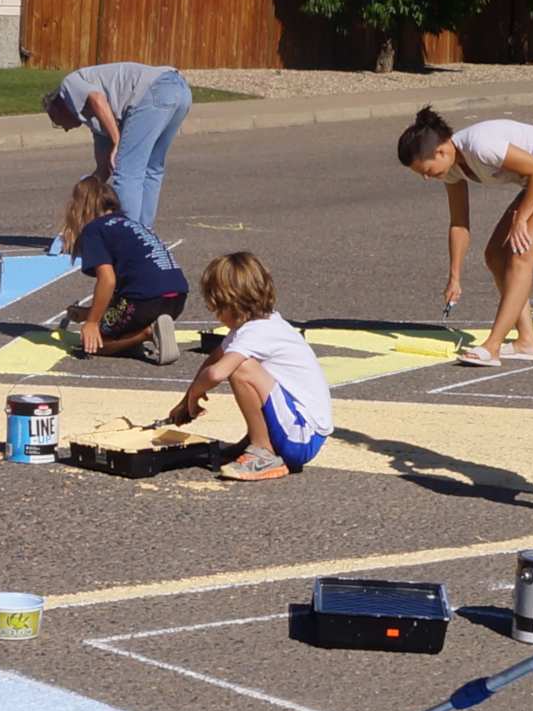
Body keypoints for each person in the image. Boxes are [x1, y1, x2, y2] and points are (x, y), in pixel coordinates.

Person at [400, 105, 533, 368]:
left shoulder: (481, 146)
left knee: (521, 256)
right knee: (495, 255)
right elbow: (459, 223)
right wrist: (455, 277)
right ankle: (526, 341)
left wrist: (521, 219)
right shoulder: (450, 169)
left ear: (442, 150)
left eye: (427, 170)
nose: (427, 178)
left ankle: (492, 346)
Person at [162, 249, 332, 484]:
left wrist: (193, 396)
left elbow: (216, 372)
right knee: (238, 363)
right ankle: (258, 439)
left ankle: (263, 451)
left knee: (242, 368)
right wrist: (185, 401)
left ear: (229, 303)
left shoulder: (257, 332)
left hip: (301, 437)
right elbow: (213, 359)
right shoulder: (260, 324)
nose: (217, 317)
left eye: (217, 309)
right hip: (301, 430)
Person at [45, 61, 192, 238]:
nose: (65, 128)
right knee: (152, 169)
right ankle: (143, 235)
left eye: (56, 121)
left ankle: (125, 237)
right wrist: (80, 201)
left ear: (59, 107)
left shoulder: (68, 85)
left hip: (155, 91)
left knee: (127, 171)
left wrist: (116, 142)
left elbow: (97, 98)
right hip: (180, 92)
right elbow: (104, 169)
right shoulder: (98, 121)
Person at [58, 174, 185, 362]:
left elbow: (108, 280)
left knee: (92, 343)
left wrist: (92, 322)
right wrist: (87, 312)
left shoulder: (94, 230)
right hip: (176, 298)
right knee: (118, 322)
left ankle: (148, 333)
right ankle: (136, 335)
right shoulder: (133, 225)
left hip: (145, 302)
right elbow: (122, 292)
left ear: (80, 209)